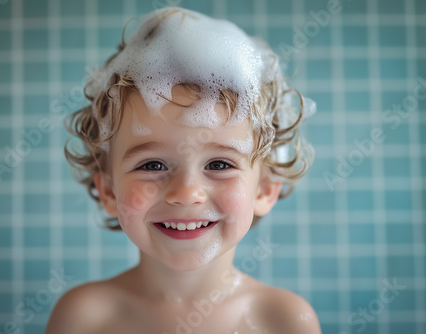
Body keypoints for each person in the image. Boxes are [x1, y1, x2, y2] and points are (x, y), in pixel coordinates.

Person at [46, 6, 320, 334]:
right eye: (152, 165)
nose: (186, 192)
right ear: (108, 190)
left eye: (219, 164)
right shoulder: (85, 317)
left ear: (264, 189)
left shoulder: (282, 320)